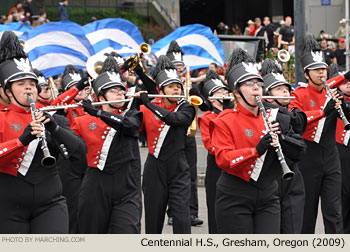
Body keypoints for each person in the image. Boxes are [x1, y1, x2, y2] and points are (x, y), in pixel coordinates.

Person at [210, 48, 306, 234]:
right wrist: (256, 150)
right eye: (249, 84)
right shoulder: (224, 119)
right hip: (234, 195)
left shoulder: (275, 116)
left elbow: (300, 151)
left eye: (259, 84)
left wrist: (282, 139)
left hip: (268, 194)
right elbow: (223, 159)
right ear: (237, 92)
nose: (256, 88)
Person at [0, 30, 86, 234]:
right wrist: (21, 141)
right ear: (7, 91)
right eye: (21, 84)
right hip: (8, 204)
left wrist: (55, 129)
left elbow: (79, 154)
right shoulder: (1, 117)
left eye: (32, 84)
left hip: (50, 202)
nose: (29, 89)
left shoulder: (51, 118)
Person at [72, 56, 142, 233]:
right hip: (95, 185)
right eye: (113, 90)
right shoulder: (81, 122)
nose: (120, 93)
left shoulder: (131, 114)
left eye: (121, 89)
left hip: (127, 187)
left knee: (126, 233)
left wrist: (98, 113)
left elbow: (130, 127)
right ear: (101, 96)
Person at [289, 34, 350, 233]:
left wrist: (344, 106)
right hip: (308, 157)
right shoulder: (299, 93)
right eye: (316, 70)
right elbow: (296, 121)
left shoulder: (331, 92)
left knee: (334, 213)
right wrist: (324, 111)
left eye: (323, 69)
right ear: (306, 74)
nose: (321, 73)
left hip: (331, 157)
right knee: (307, 213)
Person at [139, 55, 195, 234]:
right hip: (154, 168)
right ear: (161, 90)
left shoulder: (186, 108)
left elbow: (172, 119)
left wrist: (148, 103)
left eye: (178, 87)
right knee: (153, 219)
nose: (176, 90)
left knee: (181, 216)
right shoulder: (146, 108)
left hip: (178, 168)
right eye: (171, 87)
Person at [261, 59, 307, 233]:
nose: (286, 92)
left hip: (292, 176)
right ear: (268, 94)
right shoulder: (262, 112)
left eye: (287, 89)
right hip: (269, 176)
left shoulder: (292, 114)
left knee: (292, 226)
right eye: (280, 89)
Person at [166, 40, 203, 226]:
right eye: (175, 66)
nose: (179, 69)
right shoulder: (164, 87)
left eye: (180, 66)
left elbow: (202, 102)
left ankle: (192, 212)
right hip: (170, 134)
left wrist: (192, 90)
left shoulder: (188, 84)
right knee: (174, 174)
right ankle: (173, 212)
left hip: (188, 134)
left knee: (191, 172)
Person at [198, 70, 233, 234]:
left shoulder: (235, 113)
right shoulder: (206, 117)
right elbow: (210, 146)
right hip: (216, 167)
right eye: (219, 92)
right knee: (215, 209)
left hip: (235, 165)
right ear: (211, 98)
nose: (224, 94)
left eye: (225, 91)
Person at [329, 64, 350, 234]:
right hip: (339, 150)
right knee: (342, 200)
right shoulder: (331, 99)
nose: (349, 83)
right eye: (345, 81)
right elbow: (325, 85)